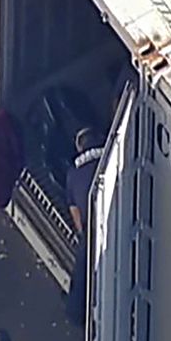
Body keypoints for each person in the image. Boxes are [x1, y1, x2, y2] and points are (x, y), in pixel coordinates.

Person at [64, 125, 105, 325]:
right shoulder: (108, 163)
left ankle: (77, 313)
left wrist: (83, 237)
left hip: (91, 228)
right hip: (110, 220)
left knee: (82, 274)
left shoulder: (73, 174)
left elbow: (75, 212)